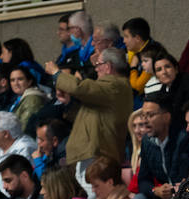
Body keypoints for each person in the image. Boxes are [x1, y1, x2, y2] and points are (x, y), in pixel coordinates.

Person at [54, 47, 133, 183]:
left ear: (107, 67)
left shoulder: (114, 85)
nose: (96, 69)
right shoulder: (107, 91)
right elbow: (86, 118)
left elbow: (80, 87)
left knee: (94, 196)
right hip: (91, 155)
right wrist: (68, 102)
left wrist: (56, 74)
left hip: (97, 156)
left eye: (98, 65)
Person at [135, 96, 189, 199]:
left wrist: (171, 191)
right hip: (163, 194)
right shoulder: (147, 141)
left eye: (150, 115)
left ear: (166, 117)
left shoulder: (184, 138)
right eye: (143, 115)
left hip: (184, 192)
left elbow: (187, 174)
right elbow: (143, 180)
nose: (145, 121)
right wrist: (155, 191)